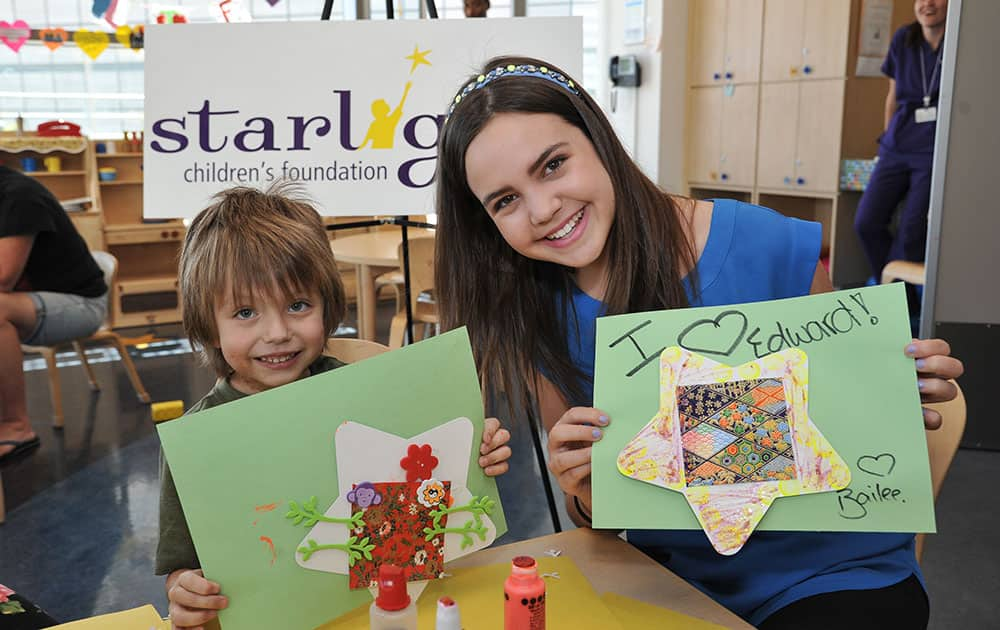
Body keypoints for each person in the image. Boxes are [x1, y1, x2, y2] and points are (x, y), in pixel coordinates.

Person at [434, 56, 964, 629]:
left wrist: (897, 392)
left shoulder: (765, 244)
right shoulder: (531, 312)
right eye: (505, 201)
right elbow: (601, 522)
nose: (542, 210)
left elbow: (853, 416)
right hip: (669, 580)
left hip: (829, 570)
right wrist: (585, 490)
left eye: (554, 165)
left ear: (600, 140)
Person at [157, 184, 513, 629]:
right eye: (246, 313)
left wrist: (478, 453)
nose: (278, 332)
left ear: (327, 307)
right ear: (208, 325)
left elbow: (426, 479)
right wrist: (184, 589)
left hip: (388, 609)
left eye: (298, 305)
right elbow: (180, 567)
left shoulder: (363, 388)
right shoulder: (197, 440)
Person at [0, 165, 107, 462]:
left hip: (82, 305)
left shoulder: (20, 197)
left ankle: (17, 426)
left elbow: (3, 278)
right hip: (35, 302)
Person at [854, 0, 947, 293]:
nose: (927, 4)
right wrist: (885, 144)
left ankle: (901, 301)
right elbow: (892, 97)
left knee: (911, 232)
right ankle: (897, 294)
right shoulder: (903, 39)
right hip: (897, 146)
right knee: (866, 222)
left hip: (933, 152)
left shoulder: (960, 43)